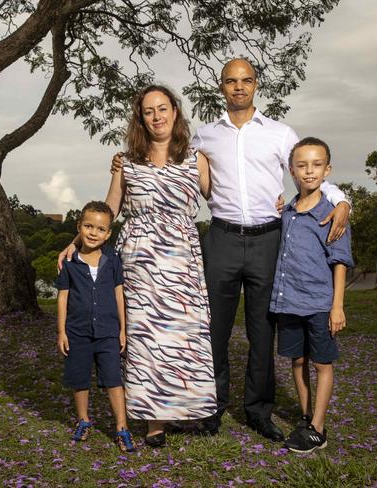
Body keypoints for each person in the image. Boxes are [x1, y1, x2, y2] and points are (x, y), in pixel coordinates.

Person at [112, 59, 351, 441]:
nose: (238, 87)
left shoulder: (280, 133)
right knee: (214, 330)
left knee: (262, 332)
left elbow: (312, 164)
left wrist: (341, 201)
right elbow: (165, 164)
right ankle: (211, 409)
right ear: (221, 87)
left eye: (246, 81)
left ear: (256, 84)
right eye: (230, 81)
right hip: (221, 238)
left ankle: (258, 410)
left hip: (267, 239)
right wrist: (121, 165)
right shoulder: (204, 138)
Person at [60, 85, 217, 448]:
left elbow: (222, 199)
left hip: (181, 258)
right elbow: (109, 211)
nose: (157, 116)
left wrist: (275, 200)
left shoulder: (197, 159)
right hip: (140, 260)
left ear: (175, 112)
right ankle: (154, 421)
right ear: (141, 118)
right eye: (149, 111)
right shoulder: (126, 161)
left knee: (182, 336)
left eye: (163, 108)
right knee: (147, 339)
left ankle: (183, 409)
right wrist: (76, 241)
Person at [269, 137, 354, 453]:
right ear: (292, 170)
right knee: (297, 360)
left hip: (319, 304)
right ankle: (306, 416)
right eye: (302, 165)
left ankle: (318, 427)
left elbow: (340, 262)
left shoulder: (333, 213)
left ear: (327, 169)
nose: (309, 171)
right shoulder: (287, 212)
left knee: (322, 364)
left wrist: (337, 307)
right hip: (289, 301)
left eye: (316, 165)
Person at [56, 200, 135, 452]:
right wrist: (62, 332)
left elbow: (119, 294)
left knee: (113, 378)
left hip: (108, 332)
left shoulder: (112, 259)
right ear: (78, 227)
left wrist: (123, 329)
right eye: (88, 226)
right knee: (80, 379)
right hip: (77, 332)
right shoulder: (69, 261)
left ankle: (122, 427)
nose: (93, 232)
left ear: (108, 233)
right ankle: (83, 421)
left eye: (100, 229)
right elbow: (62, 297)